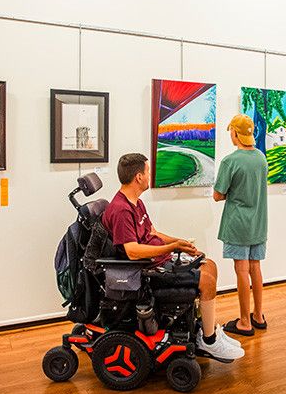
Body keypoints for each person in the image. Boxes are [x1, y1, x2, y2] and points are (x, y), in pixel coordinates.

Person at [102, 153, 244, 360]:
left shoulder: (136, 203)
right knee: (206, 279)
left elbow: (153, 233)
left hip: (159, 261)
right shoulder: (121, 209)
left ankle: (206, 328)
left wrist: (180, 244)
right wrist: (171, 249)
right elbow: (132, 251)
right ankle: (209, 340)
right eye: (148, 171)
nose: (150, 175)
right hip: (145, 272)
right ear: (139, 177)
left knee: (210, 265)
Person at [213, 115, 269, 337]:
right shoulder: (261, 158)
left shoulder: (231, 161)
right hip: (258, 222)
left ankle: (244, 322)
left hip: (238, 223)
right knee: (255, 267)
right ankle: (258, 315)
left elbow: (218, 195)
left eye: (231, 132)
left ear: (235, 133)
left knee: (242, 271)